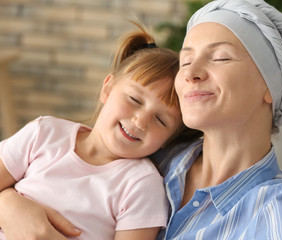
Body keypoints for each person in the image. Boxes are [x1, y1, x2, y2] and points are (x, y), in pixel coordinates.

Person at [0, 0, 282, 239]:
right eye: (186, 61)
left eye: (220, 57)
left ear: (269, 87)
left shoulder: (279, 209)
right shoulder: (158, 156)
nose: (191, 75)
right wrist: (12, 206)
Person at [0, 22, 186, 240]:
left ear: (168, 139)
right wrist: (9, 203)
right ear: (107, 88)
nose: (140, 121)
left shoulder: (142, 185)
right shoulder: (44, 133)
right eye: (135, 99)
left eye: (161, 120)